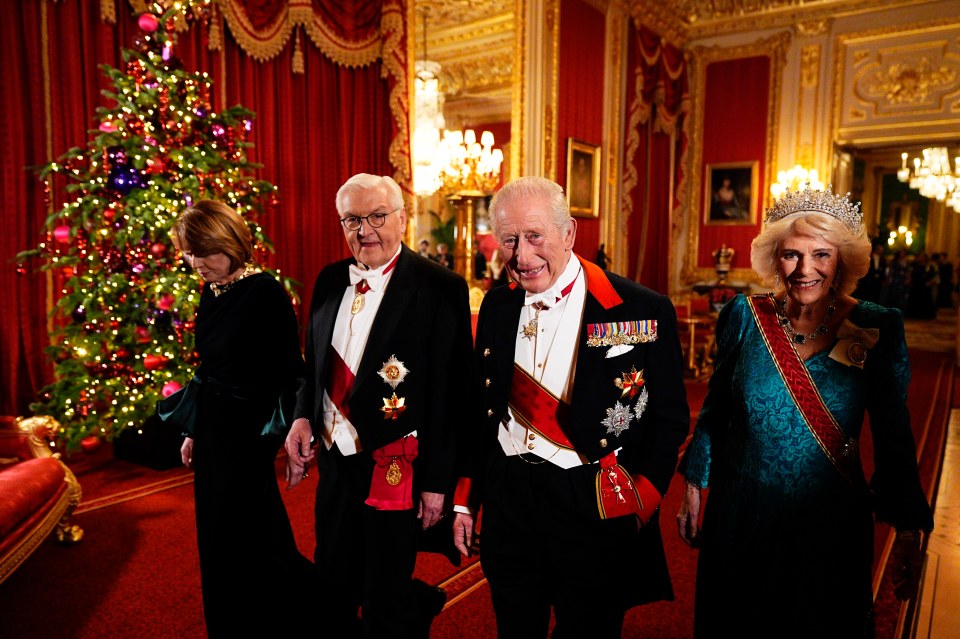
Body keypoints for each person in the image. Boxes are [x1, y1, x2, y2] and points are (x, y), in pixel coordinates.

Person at [676, 186, 934, 638]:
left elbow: (894, 433)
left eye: (821, 255)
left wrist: (910, 528)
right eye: (792, 255)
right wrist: (695, 484)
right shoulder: (745, 315)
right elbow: (716, 408)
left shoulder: (874, 325)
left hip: (828, 521)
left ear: (842, 261)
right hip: (742, 515)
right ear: (775, 258)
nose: (805, 269)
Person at [452, 176, 690, 638]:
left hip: (591, 501)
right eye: (509, 240)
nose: (522, 256)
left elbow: (670, 418)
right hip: (510, 501)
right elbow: (480, 412)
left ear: (570, 233)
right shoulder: (498, 307)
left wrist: (642, 497)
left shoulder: (639, 308)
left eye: (535, 236)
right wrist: (467, 500)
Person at [284, 174, 474, 639]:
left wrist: (437, 484)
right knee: (334, 581)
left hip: (395, 466)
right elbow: (314, 363)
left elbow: (451, 395)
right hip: (334, 464)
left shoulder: (439, 286)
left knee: (385, 595)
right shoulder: (330, 278)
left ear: (402, 219)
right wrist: (303, 415)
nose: (364, 230)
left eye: (376, 216)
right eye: (352, 219)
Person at [169, 200, 313, 637]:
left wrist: (291, 442)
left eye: (204, 252)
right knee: (216, 538)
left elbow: (291, 371)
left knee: (256, 539)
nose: (197, 263)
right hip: (214, 430)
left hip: (248, 436)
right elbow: (208, 369)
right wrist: (194, 430)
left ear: (229, 243)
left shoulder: (264, 291)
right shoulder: (211, 290)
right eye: (189, 254)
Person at [852, 239, 887, 304]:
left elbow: (883, 271)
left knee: (875, 299)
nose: (880, 249)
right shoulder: (869, 256)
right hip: (868, 282)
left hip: (877, 284)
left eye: (882, 247)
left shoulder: (883, 260)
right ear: (876, 247)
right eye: (879, 247)